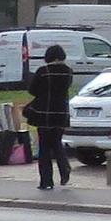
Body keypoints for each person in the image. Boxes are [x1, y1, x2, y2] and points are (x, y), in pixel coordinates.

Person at [23, 43, 76, 191]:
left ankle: (46, 181)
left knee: (44, 148)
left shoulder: (43, 71)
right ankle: (64, 168)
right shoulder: (68, 72)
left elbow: (33, 91)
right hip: (61, 113)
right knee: (57, 143)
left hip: (44, 113)